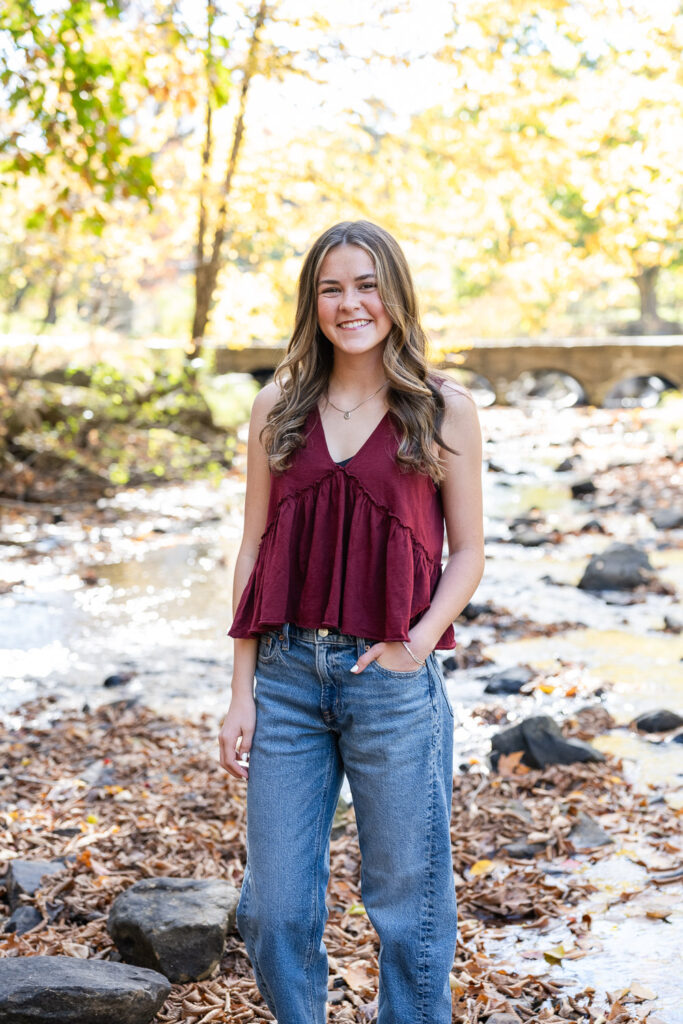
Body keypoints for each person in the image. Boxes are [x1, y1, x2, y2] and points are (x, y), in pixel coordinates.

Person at [218, 220, 484, 1024]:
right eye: (332, 288)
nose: (350, 303)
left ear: (393, 294)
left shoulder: (442, 409)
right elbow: (254, 547)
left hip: (391, 683)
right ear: (313, 302)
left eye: (366, 284)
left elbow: (468, 553)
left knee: (408, 900)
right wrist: (241, 691)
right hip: (288, 680)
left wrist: (413, 644)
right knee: (273, 910)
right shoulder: (276, 407)